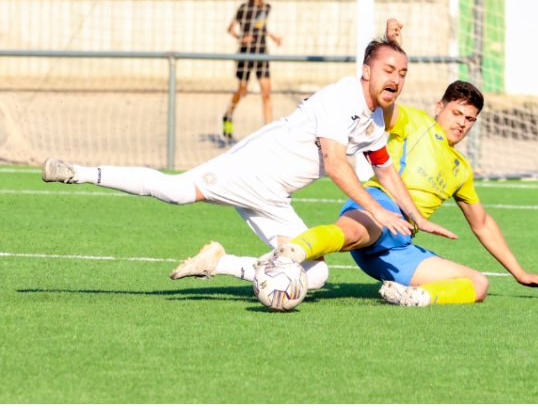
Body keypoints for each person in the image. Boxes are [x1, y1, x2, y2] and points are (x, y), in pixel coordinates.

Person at [41, 20, 455, 291]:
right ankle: (77, 172)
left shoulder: (374, 120)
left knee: (315, 274)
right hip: (251, 169)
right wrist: (379, 213)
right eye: (389, 71)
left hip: (275, 197)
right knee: (175, 191)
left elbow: (384, 168)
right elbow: (335, 163)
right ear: (366, 70)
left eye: (403, 74)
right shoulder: (342, 97)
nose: (396, 80)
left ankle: (219, 264)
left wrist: (415, 216)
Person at [175, 78, 538, 307]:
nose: (463, 124)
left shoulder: (461, 170)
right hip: (378, 207)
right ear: (440, 107)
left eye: (470, 119)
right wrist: (395, 50)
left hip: (399, 246)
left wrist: (519, 272)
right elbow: (381, 101)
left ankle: (416, 298)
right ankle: (292, 251)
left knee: (478, 284)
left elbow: (482, 224)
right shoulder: (413, 121)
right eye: (457, 113)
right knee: (357, 231)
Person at [222, 0, 283, 141]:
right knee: (242, 89)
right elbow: (230, 29)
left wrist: (273, 36)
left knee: (266, 91)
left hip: (261, 52)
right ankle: (228, 114)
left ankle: (269, 131)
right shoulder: (244, 9)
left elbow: (261, 27)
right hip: (246, 54)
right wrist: (242, 38)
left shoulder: (266, 7)